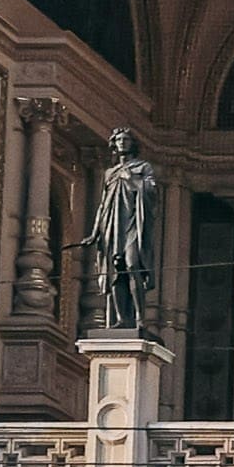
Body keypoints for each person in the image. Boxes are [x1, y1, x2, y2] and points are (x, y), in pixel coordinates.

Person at [86, 128, 161, 333]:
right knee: (115, 271)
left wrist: (130, 179)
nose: (122, 142)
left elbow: (152, 192)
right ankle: (121, 319)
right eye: (118, 139)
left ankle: (140, 319)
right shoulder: (109, 173)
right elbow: (103, 205)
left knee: (132, 265)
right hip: (113, 226)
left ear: (133, 144)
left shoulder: (143, 167)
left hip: (133, 224)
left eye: (126, 139)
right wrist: (95, 232)